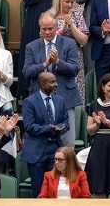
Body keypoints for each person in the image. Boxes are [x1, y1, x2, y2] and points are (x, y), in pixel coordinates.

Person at [23, 12, 81, 147]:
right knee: (41, 142)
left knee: (67, 144)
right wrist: (45, 64)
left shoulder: (69, 43)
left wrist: (57, 62)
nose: (47, 32)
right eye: (44, 29)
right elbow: (27, 72)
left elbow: (74, 69)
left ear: (56, 27)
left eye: (50, 29)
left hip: (65, 97)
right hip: (39, 100)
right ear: (40, 29)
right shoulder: (31, 46)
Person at [18, 0, 67, 98]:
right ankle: (28, 91)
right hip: (35, 17)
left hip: (53, 17)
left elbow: (62, 0)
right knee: (33, 52)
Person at [20, 71, 70, 198]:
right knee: (39, 190)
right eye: (52, 82)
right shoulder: (29, 102)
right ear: (42, 84)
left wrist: (61, 128)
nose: (56, 84)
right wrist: (49, 128)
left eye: (56, 81)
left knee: (54, 189)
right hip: (37, 151)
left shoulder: (60, 100)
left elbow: (66, 122)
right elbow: (29, 126)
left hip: (55, 149)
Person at [47, 0, 89, 103]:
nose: (70, 5)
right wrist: (61, 28)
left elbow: (84, 41)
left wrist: (72, 25)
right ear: (59, 1)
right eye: (67, 2)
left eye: (72, 2)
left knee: (75, 90)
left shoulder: (77, 16)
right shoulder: (49, 16)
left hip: (74, 58)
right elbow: (45, 39)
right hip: (55, 55)